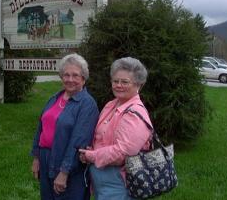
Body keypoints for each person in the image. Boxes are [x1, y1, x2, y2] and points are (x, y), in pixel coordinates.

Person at [79, 57, 153, 200]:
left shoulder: (135, 113)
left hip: (120, 183)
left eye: (125, 82)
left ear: (138, 85)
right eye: (115, 81)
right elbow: (102, 138)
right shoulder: (111, 105)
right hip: (102, 182)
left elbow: (124, 152)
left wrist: (92, 156)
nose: (118, 85)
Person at [31, 53, 99, 200]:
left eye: (75, 75)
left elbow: (78, 141)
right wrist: (36, 157)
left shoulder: (87, 104)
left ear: (83, 78)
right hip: (45, 158)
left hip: (67, 163)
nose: (70, 79)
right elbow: (41, 128)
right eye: (66, 75)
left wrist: (64, 172)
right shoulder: (55, 98)